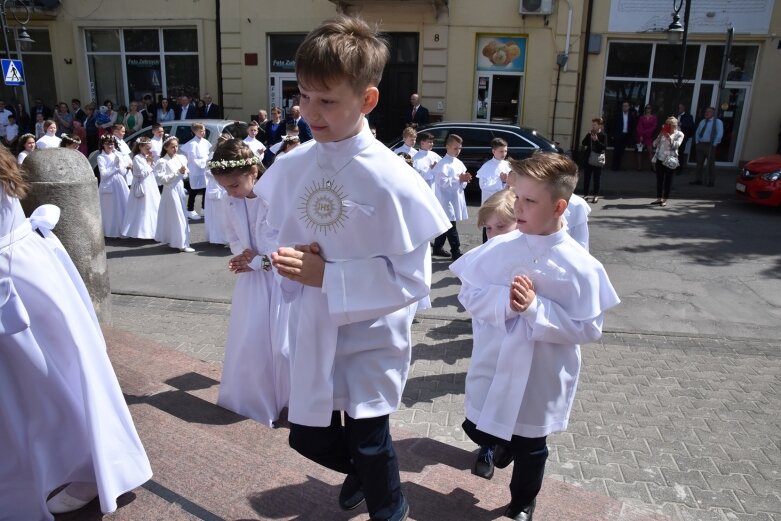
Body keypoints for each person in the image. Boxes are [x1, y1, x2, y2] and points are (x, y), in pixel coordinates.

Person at [255, 16, 450, 521]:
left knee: (368, 437)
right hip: (314, 323)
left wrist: (329, 276)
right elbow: (279, 233)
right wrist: (288, 262)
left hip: (371, 332)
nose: (310, 113)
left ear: (366, 100)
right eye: (303, 96)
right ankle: (364, 475)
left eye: (327, 100)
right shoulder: (294, 164)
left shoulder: (393, 179)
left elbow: (412, 279)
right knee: (308, 436)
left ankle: (391, 506)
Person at [451, 151, 620, 521]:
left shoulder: (582, 266)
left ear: (559, 206)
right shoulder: (499, 247)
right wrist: (506, 303)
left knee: (531, 445)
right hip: (495, 362)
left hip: (540, 373)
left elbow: (588, 328)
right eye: (517, 197)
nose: (518, 208)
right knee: (479, 426)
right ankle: (498, 444)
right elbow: (469, 293)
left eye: (529, 201)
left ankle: (523, 501)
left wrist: (534, 309)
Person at [0, 147, 153, 520]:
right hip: (27, 272)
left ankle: (92, 467)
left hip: (19, 279)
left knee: (50, 378)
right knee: (41, 380)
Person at [209, 138, 291, 425]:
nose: (230, 193)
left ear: (253, 172)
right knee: (250, 339)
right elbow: (234, 236)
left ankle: (286, 399)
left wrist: (260, 260)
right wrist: (243, 256)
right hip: (252, 283)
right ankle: (252, 398)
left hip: (280, 283)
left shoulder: (275, 198)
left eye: (234, 185)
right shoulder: (232, 199)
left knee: (280, 344)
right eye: (224, 187)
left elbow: (286, 245)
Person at [431, 133, 472, 260]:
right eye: (455, 148)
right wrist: (459, 179)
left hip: (455, 197)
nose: (458, 151)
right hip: (445, 199)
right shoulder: (442, 165)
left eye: (460, 148)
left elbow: (462, 182)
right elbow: (443, 183)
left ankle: (437, 247)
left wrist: (465, 179)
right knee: (450, 224)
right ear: (447, 147)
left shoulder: (458, 162)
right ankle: (456, 250)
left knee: (446, 223)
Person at [155, 135, 195, 252]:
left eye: (176, 146)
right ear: (166, 148)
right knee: (177, 216)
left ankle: (178, 240)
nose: (175, 149)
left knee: (182, 214)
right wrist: (178, 172)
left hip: (179, 189)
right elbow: (162, 180)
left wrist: (183, 172)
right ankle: (182, 243)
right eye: (172, 147)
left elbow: (185, 175)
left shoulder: (181, 157)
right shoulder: (162, 161)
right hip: (170, 191)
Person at [121, 136, 161, 239]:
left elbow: (152, 170)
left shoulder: (145, 157)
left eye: (150, 148)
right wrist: (149, 163)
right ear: (140, 147)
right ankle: (141, 231)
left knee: (153, 206)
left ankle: (154, 230)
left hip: (150, 184)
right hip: (142, 185)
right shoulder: (137, 158)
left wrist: (151, 162)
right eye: (147, 148)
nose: (149, 150)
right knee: (142, 208)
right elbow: (142, 173)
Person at [97, 135, 130, 238]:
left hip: (119, 182)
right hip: (108, 184)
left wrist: (123, 166)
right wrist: (115, 167)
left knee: (121, 205)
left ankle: (122, 229)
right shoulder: (101, 157)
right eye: (108, 144)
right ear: (103, 145)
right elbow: (104, 174)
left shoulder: (117, 154)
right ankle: (111, 231)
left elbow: (123, 172)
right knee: (110, 208)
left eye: (111, 144)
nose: (110, 146)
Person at [202, 133, 231, 246]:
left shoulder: (229, 154)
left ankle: (228, 237)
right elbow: (208, 171)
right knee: (217, 213)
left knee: (226, 213)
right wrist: (219, 172)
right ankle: (217, 237)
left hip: (225, 185)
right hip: (215, 185)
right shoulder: (212, 155)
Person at [651, 116, 684, 207]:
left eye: (671, 125)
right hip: (660, 159)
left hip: (670, 160)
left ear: (675, 126)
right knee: (659, 180)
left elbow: (676, 146)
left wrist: (669, 138)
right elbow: (654, 144)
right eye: (667, 124)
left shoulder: (679, 134)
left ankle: (665, 199)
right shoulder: (663, 132)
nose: (668, 126)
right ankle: (659, 198)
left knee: (668, 181)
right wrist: (660, 136)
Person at [180, 122, 210, 220]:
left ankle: (204, 207)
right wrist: (203, 162)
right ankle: (190, 209)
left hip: (204, 169)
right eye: (201, 131)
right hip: (196, 170)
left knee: (206, 188)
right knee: (194, 190)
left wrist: (208, 161)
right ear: (194, 131)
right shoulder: (192, 144)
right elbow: (193, 158)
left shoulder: (205, 142)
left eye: (204, 130)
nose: (203, 132)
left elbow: (207, 154)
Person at [691, 106, 723, 187]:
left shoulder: (717, 122)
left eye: (708, 112)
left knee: (710, 164)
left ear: (713, 113)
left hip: (710, 145)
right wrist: (697, 142)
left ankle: (711, 181)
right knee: (699, 163)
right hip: (700, 144)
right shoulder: (702, 121)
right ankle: (698, 179)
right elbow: (698, 132)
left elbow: (719, 133)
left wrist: (714, 144)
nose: (706, 113)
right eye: (706, 111)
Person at [477, 137, 510, 206]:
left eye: (505, 151)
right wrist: (501, 181)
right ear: (493, 151)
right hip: (490, 202)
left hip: (504, 202)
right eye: (501, 151)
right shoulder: (487, 166)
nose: (504, 154)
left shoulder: (507, 165)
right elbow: (483, 185)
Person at [580, 117, 607, 203]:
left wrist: (596, 140)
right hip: (589, 159)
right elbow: (583, 143)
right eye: (592, 125)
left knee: (596, 179)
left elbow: (604, 147)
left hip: (597, 159)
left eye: (595, 125)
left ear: (599, 126)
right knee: (587, 178)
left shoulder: (603, 135)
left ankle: (595, 196)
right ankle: (585, 195)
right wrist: (588, 136)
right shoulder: (590, 134)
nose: (593, 126)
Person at [609, 101, 636, 171]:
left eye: (626, 106)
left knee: (621, 152)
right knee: (616, 151)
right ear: (622, 107)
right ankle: (614, 167)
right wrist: (612, 134)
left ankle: (618, 166)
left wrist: (631, 136)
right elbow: (613, 125)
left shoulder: (631, 116)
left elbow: (632, 126)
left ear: (629, 107)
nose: (625, 107)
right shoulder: (618, 115)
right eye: (623, 106)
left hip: (626, 135)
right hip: (618, 135)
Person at [635, 104, 658, 171]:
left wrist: (645, 132)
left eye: (649, 108)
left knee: (650, 151)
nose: (648, 109)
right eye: (647, 108)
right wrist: (641, 135)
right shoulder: (642, 117)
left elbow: (654, 127)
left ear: (651, 109)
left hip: (649, 137)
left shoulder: (654, 117)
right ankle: (639, 167)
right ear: (645, 109)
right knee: (639, 151)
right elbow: (639, 127)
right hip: (641, 136)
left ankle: (653, 167)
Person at [676, 103, 695, 175]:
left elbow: (691, 126)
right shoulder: (675, 116)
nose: (679, 109)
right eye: (678, 108)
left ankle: (679, 169)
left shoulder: (688, 116)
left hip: (681, 137)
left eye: (680, 108)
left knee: (680, 153)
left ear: (684, 108)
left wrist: (681, 124)